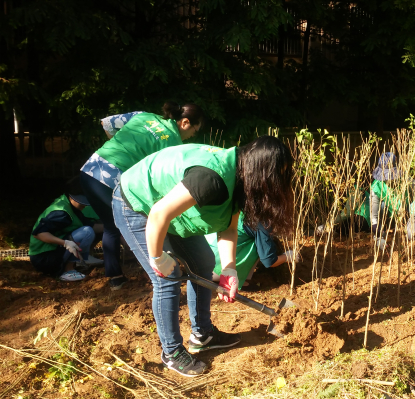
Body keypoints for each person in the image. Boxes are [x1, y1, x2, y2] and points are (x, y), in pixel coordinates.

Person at [112, 137, 293, 377]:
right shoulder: (211, 179)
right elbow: (158, 213)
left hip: (170, 212)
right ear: (261, 171)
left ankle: (202, 334)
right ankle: (172, 352)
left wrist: (229, 270)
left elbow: (228, 227)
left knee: (204, 263)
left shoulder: (240, 176)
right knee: (167, 280)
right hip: (138, 205)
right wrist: (157, 258)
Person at [80, 103, 203, 290]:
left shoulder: (143, 116)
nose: (192, 136)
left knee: (111, 226)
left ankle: (115, 278)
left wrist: (122, 147)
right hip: (113, 178)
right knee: (144, 222)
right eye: (194, 131)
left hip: (91, 169)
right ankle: (160, 274)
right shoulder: (173, 141)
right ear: (185, 122)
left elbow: (107, 124)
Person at [206, 213, 299, 291]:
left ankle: (244, 278)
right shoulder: (263, 221)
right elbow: (269, 261)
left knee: (254, 239)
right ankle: (243, 281)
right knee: (261, 245)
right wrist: (287, 256)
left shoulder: (241, 206)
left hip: (204, 256)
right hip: (217, 270)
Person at [29, 193, 101, 281]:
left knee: (90, 230)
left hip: (54, 251)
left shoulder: (72, 207)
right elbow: (38, 234)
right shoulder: (61, 212)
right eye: (82, 202)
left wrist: (115, 227)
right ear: (72, 198)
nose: (84, 205)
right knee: (86, 232)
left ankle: (81, 260)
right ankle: (68, 270)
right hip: (44, 258)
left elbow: (93, 226)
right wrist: (65, 243)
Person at [370, 152, 407, 253]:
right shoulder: (376, 186)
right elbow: (373, 217)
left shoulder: (405, 182)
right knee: (382, 206)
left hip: (406, 217)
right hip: (388, 218)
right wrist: (378, 235)